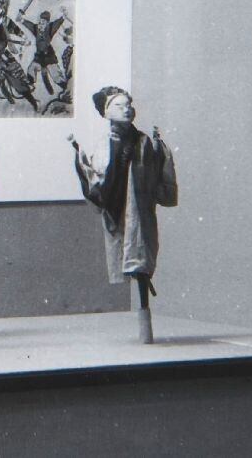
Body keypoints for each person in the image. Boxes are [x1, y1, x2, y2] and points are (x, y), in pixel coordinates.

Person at [68, 86, 177, 343]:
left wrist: (158, 151)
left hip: (140, 211)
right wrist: (81, 161)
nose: (126, 109)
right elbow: (96, 181)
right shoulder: (103, 146)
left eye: (128, 105)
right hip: (118, 210)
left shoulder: (145, 142)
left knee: (141, 256)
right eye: (119, 105)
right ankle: (143, 324)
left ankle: (145, 320)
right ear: (106, 112)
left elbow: (160, 175)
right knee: (130, 253)